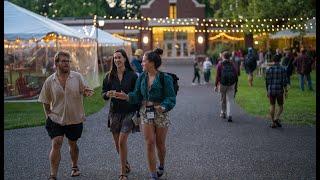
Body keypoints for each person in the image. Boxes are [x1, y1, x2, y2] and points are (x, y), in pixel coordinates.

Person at [114, 49, 176, 180]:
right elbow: (136, 95)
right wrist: (126, 96)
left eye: (143, 61)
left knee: (160, 144)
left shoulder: (165, 78)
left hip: (161, 113)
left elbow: (171, 98)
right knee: (149, 142)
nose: (141, 63)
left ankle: (162, 165)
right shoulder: (142, 77)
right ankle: (153, 174)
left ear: (152, 63)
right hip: (146, 112)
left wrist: (163, 106)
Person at [38, 51, 94, 180]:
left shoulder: (77, 77)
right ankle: (53, 175)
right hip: (56, 118)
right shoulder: (49, 81)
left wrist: (86, 92)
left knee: (73, 144)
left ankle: (74, 167)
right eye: (63, 61)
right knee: (56, 143)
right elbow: (45, 101)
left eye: (68, 61)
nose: (67, 64)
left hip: (75, 118)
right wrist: (48, 116)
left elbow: (84, 90)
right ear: (56, 63)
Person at [101, 49, 140, 180]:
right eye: (115, 58)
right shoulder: (109, 76)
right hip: (114, 113)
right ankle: (126, 163)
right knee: (118, 144)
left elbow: (137, 95)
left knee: (122, 141)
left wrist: (127, 96)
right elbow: (103, 93)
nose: (117, 60)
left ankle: (122, 172)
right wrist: (107, 94)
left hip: (129, 112)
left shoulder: (133, 75)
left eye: (119, 57)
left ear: (124, 59)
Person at [214, 50, 238, 122]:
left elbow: (217, 76)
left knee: (223, 98)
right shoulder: (232, 64)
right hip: (231, 84)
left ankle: (223, 112)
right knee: (229, 100)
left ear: (223, 56)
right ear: (229, 57)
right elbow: (236, 76)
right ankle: (229, 114)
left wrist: (215, 85)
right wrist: (236, 86)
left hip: (223, 84)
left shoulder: (220, 64)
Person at [265, 54, 288, 128]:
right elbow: (284, 81)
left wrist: (267, 91)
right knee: (281, 106)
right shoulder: (283, 69)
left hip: (271, 90)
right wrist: (286, 91)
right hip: (279, 91)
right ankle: (276, 118)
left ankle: (273, 122)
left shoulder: (269, 69)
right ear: (280, 60)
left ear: (273, 61)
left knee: (272, 105)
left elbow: (267, 82)